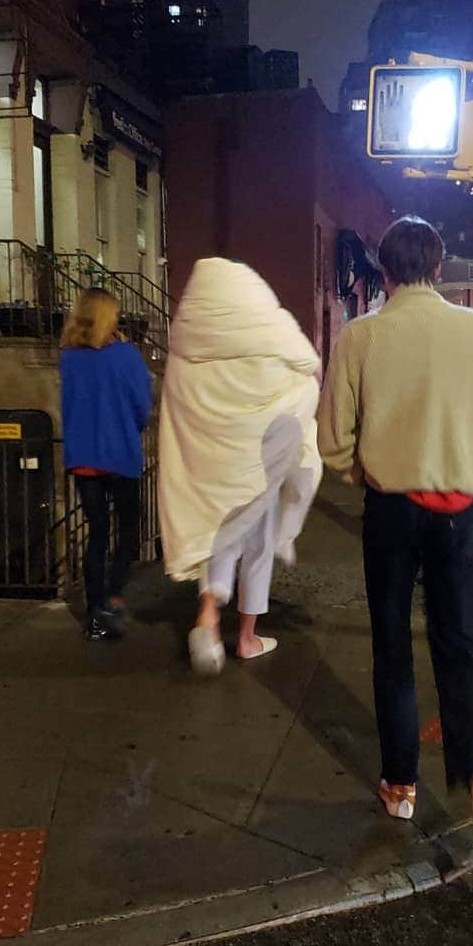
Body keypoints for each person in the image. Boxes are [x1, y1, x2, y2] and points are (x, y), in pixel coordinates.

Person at [317, 215, 473, 862]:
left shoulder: (360, 336)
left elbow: (332, 437)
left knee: (392, 644)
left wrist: (361, 468)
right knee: (459, 644)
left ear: (382, 272)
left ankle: (401, 784)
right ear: (440, 266)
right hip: (462, 509)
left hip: (392, 508)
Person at [159, 258, 322, 676]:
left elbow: (179, 403)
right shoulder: (268, 331)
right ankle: (247, 637)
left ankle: (208, 618)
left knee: (220, 533)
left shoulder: (189, 340)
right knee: (260, 542)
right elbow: (304, 371)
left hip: (215, 461)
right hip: (261, 460)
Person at [60, 288, 153, 640]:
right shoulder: (126, 356)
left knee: (97, 532)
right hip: (119, 453)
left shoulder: (69, 358)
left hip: (83, 458)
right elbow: (142, 404)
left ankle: (94, 610)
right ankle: (114, 596)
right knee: (128, 527)